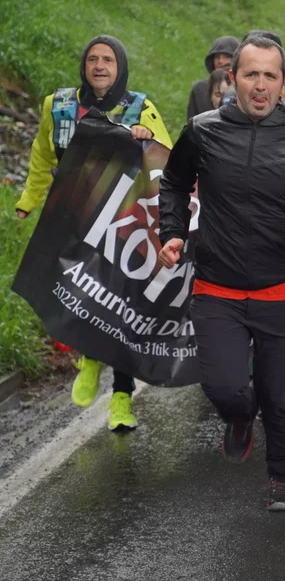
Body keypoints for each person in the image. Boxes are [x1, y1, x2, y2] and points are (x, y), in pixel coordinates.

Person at [158, 35, 285, 511]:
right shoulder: (202, 131)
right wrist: (174, 232)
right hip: (217, 286)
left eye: (269, 76)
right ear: (232, 79)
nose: (260, 85)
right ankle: (240, 417)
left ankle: (284, 477)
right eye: (250, 75)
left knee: (280, 396)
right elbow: (174, 182)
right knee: (224, 387)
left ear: (283, 82)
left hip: (281, 287)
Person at [16, 35, 172, 432]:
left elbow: (166, 163)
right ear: (84, 66)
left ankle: (121, 397)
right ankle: (88, 359)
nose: (99, 66)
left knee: (120, 308)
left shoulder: (141, 108)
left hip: (123, 225)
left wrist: (146, 139)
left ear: (120, 67)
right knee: (81, 297)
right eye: (92, 59)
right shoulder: (58, 106)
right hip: (72, 221)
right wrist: (29, 200)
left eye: (108, 60)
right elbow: (42, 156)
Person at [187, 36, 240, 120]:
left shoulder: (244, 87)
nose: (220, 61)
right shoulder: (199, 89)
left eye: (226, 56)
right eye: (217, 57)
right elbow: (191, 122)